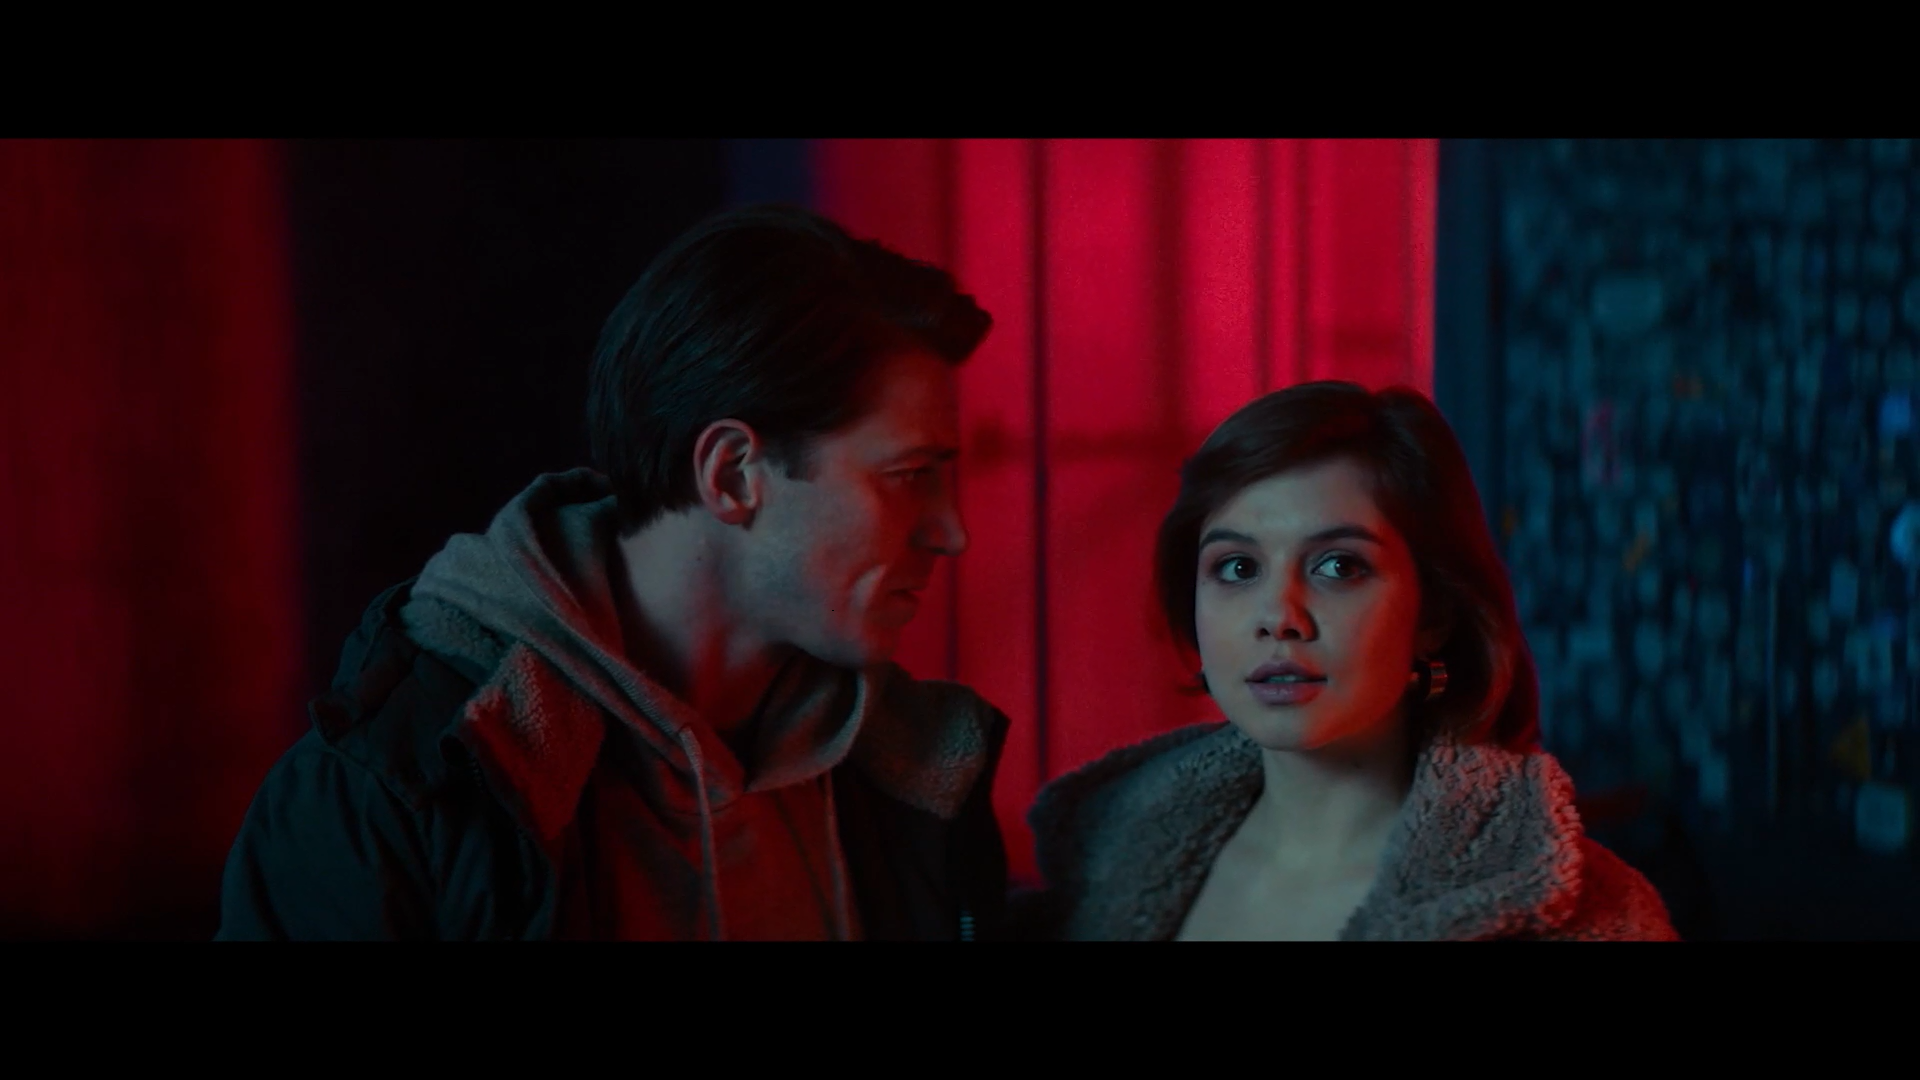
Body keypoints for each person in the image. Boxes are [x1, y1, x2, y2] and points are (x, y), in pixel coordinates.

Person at [217, 204, 1012, 940]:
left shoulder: (913, 776)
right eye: (909, 475)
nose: (952, 533)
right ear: (733, 474)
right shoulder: (392, 796)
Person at [1015, 381, 1679, 941]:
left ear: (1433, 614)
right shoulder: (1107, 858)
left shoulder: (1583, 915)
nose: (1279, 616)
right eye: (1237, 567)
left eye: (1338, 566)